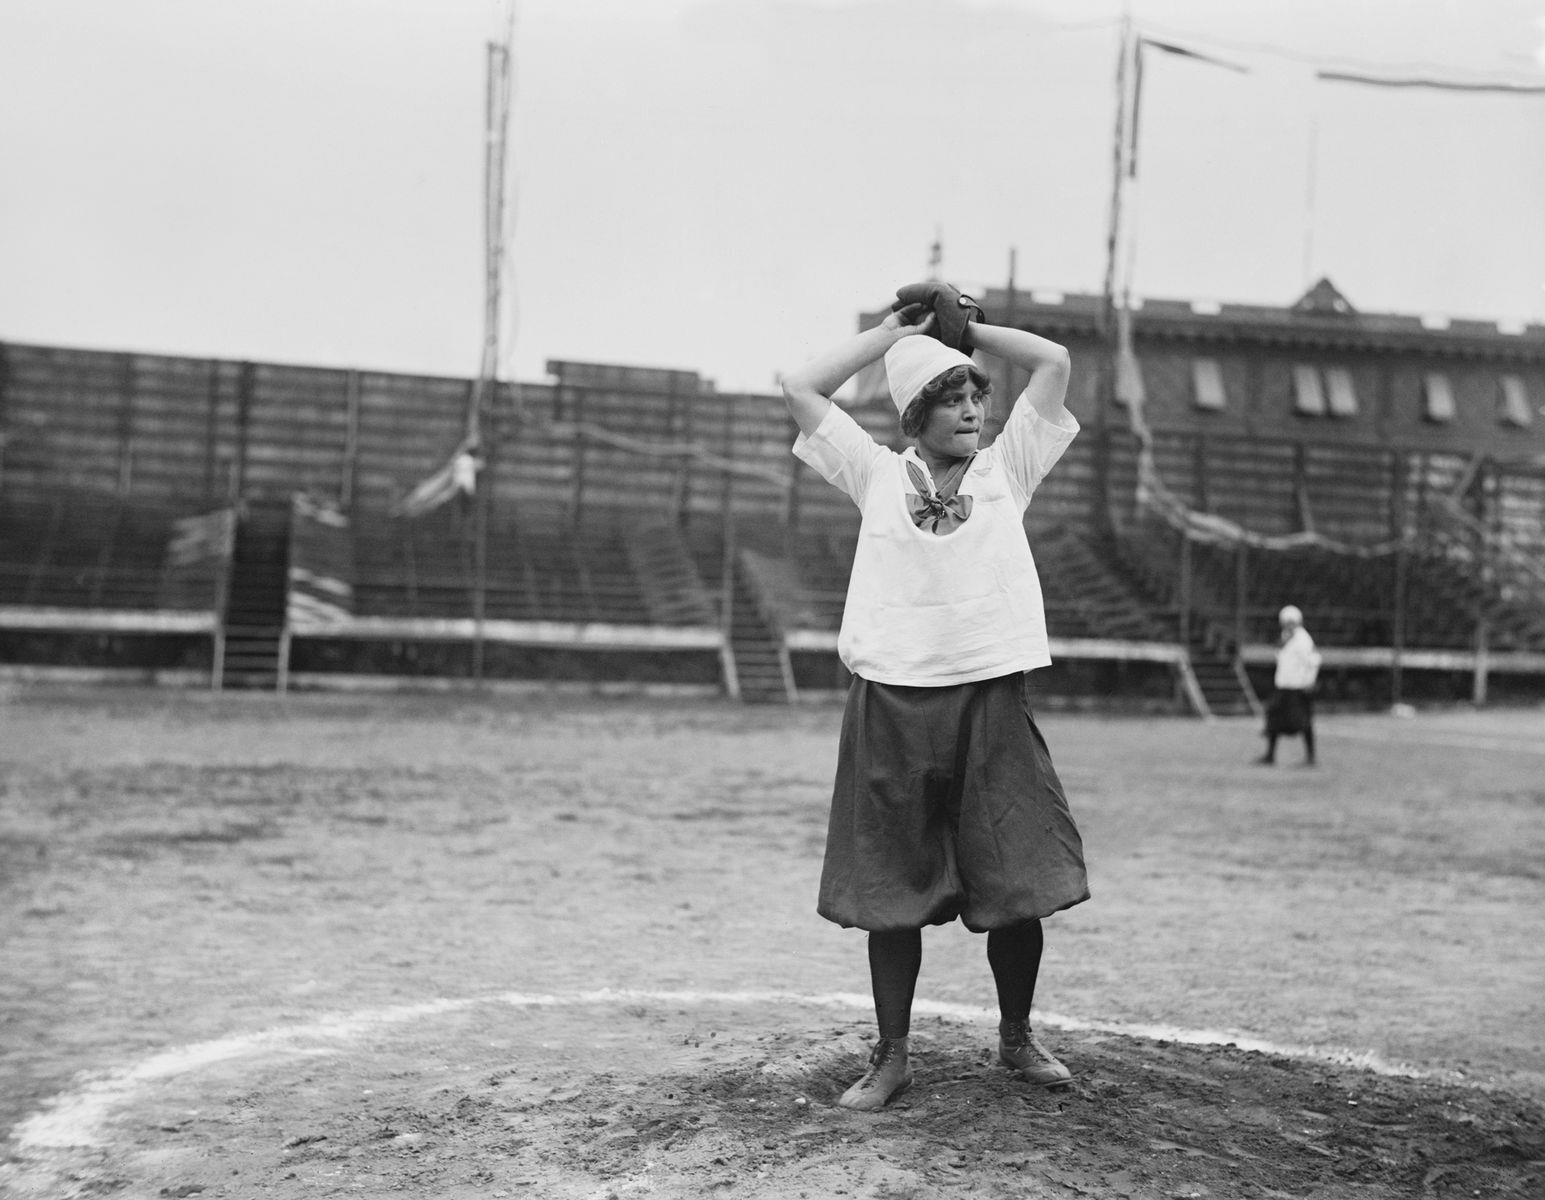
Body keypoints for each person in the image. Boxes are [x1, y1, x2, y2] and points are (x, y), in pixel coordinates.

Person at [779, 290, 1090, 1112]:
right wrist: (893, 335)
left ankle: (1016, 1038)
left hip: (989, 697)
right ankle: (891, 1057)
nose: (971, 413)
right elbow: (800, 386)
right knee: (889, 891)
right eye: (950, 399)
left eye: (975, 396)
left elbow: (1053, 363)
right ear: (913, 412)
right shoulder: (874, 474)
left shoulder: (1006, 471)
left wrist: (967, 332)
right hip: (892, 702)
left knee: (1015, 877)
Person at [1258, 605, 1321, 766]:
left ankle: (1310, 756)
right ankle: (1270, 755)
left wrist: (1309, 681)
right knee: (1274, 720)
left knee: (1303, 722)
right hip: (1283, 686)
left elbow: (1314, 661)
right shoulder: (1286, 637)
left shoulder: (1303, 639)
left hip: (1297, 688)